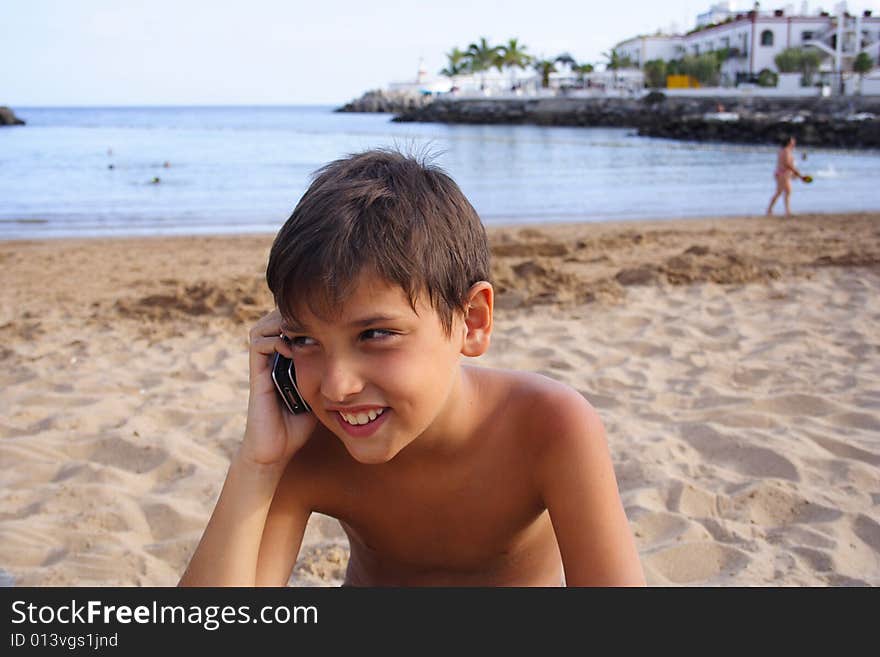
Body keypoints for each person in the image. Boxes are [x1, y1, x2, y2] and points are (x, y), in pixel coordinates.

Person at [178, 149, 645, 587]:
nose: (338, 386)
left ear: (473, 321)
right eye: (304, 340)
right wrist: (257, 464)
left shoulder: (548, 426)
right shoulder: (311, 443)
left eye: (375, 335)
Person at [767, 135, 806, 217]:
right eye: (792, 141)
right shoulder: (786, 151)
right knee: (783, 192)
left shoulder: (785, 150)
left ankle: (773, 210)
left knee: (782, 192)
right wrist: (797, 173)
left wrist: (794, 174)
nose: (794, 143)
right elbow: (787, 164)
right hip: (783, 174)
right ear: (789, 142)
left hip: (782, 173)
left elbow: (789, 164)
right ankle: (786, 211)